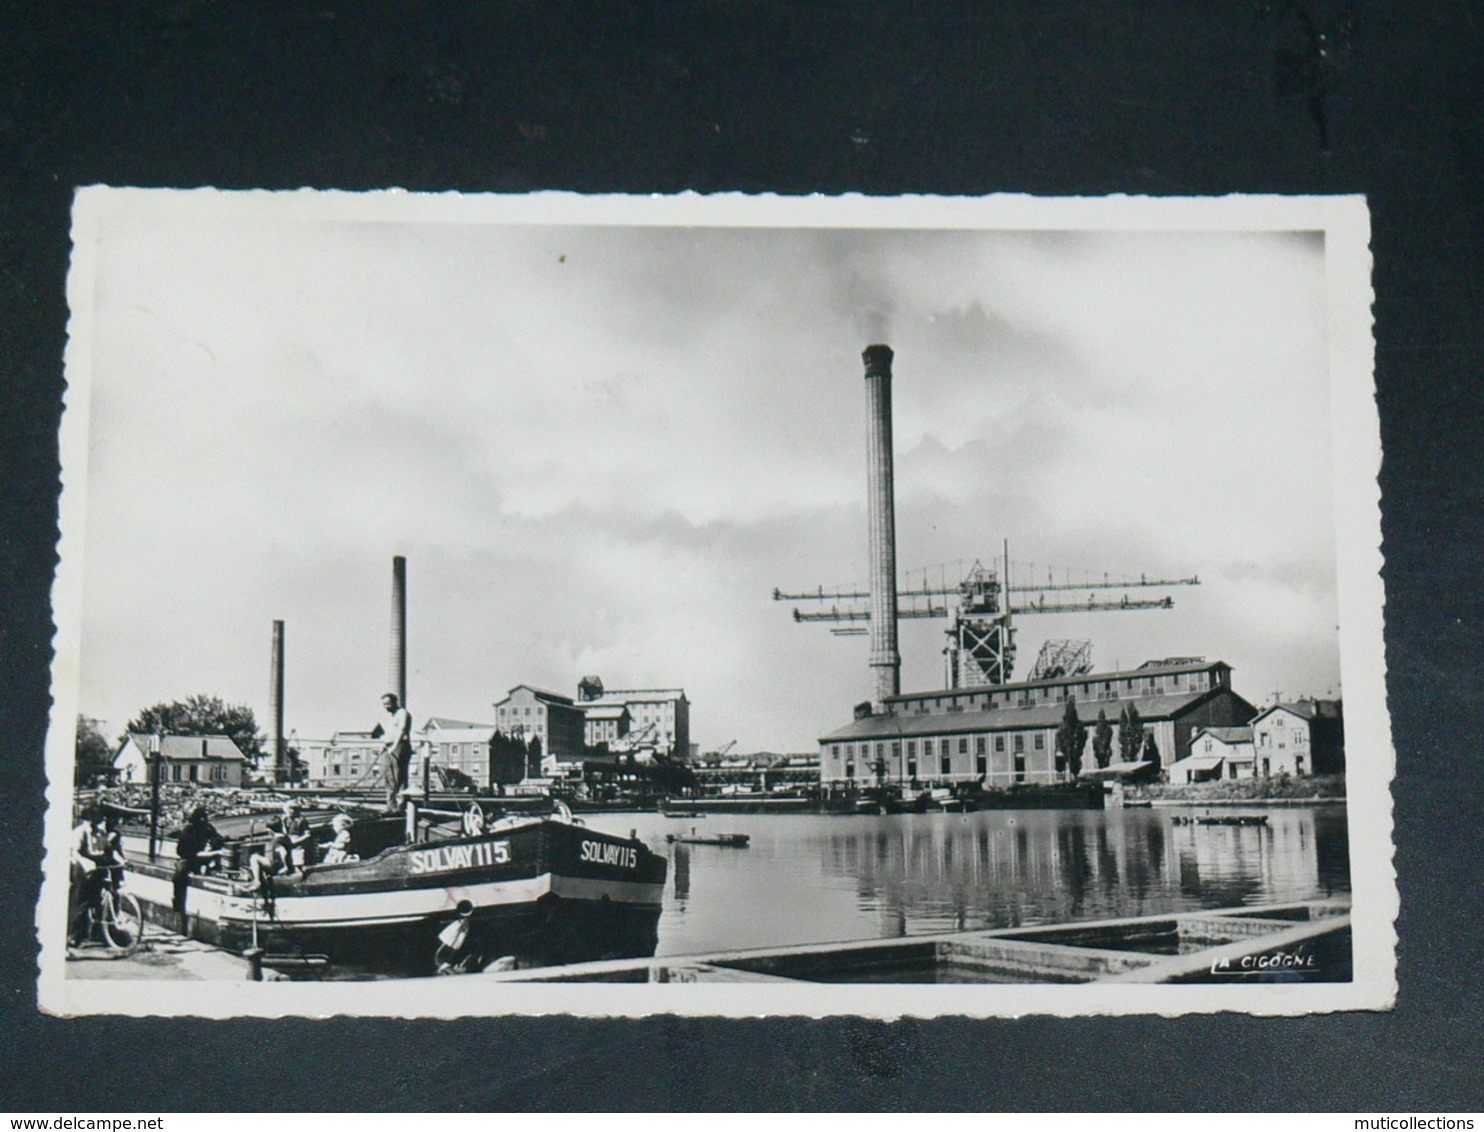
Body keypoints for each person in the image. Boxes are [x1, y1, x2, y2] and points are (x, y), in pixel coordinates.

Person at [172, 805, 228, 914]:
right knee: (180, 872)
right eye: (202, 818)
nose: (205, 820)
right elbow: (183, 852)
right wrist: (213, 852)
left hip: (205, 857)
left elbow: (217, 838)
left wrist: (215, 844)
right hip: (190, 858)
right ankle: (178, 902)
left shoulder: (208, 828)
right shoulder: (188, 831)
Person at [68, 805, 109, 944]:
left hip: (96, 867)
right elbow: (75, 852)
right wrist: (86, 863)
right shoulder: (80, 831)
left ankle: (95, 933)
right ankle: (73, 936)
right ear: (91, 816)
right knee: (82, 902)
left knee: (97, 900)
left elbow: (105, 850)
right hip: (82, 868)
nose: (102, 818)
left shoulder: (100, 833)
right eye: (99, 815)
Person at [376, 692, 414, 813]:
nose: (386, 706)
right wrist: (384, 745)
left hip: (400, 746)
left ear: (394, 702)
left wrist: (394, 746)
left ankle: (400, 805)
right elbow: (389, 732)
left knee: (398, 776)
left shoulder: (402, 713)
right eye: (384, 704)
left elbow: (402, 730)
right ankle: (390, 805)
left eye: (388, 703)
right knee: (388, 776)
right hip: (389, 747)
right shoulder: (391, 716)